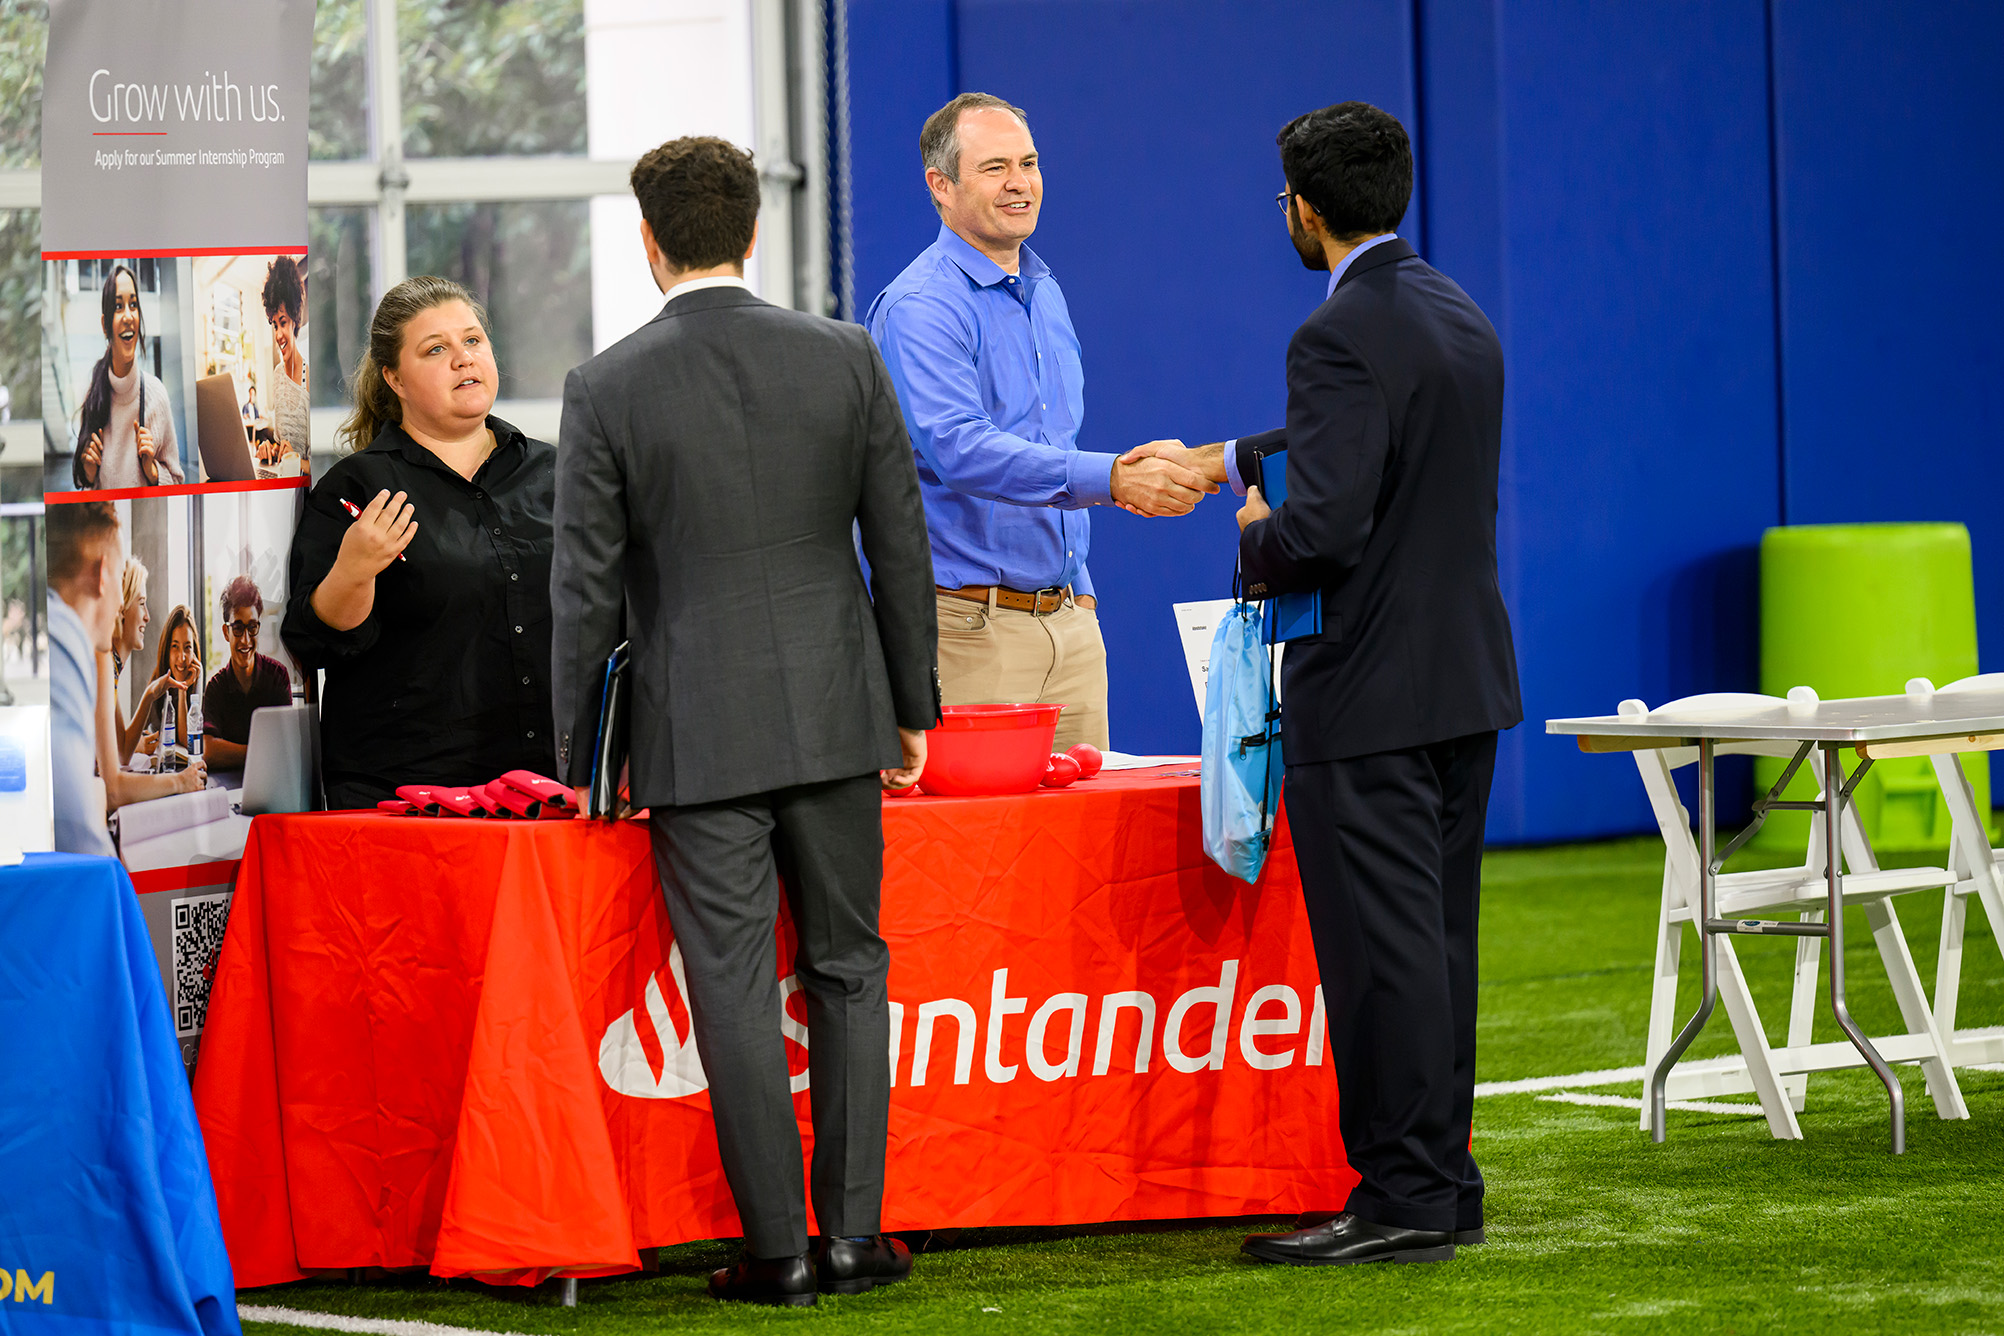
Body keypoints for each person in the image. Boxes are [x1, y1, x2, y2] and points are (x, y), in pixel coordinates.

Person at [551, 136, 938, 1308]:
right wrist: (913, 707)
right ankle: (859, 1237)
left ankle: (776, 1253)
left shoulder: (605, 386)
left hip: (694, 731)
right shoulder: (847, 355)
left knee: (726, 985)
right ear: (754, 230)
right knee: (850, 969)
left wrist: (581, 758)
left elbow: (584, 588)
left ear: (649, 241)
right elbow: (902, 547)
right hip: (837, 712)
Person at [1139, 103, 1521, 1266]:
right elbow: (1373, 434)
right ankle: (1441, 1179)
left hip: (1366, 691)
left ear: (1303, 208)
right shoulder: (1452, 311)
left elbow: (1326, 527)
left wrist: (1255, 528)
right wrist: (1231, 457)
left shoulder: (1334, 336)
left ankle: (1400, 1195)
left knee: (1380, 954)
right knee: (1438, 944)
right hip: (1460, 680)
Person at [865, 93, 1213, 751]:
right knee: (982, 853)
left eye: (1028, 162)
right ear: (941, 185)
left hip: (1069, 628)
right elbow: (961, 450)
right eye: (995, 167)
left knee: (1085, 849)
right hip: (970, 633)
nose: (1019, 183)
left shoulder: (1044, 291)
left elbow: (1053, 441)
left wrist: (1076, 594)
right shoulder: (920, 306)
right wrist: (1112, 478)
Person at [282, 275, 555, 810]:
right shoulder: (358, 487)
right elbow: (314, 641)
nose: (463, 359)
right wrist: (354, 571)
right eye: (436, 349)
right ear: (395, 379)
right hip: (407, 802)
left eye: (473, 341)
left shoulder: (553, 473)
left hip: (543, 792)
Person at [99, 555, 207, 805]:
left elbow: (123, 753)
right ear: (121, 608)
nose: (147, 616)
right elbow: (114, 789)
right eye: (142, 604)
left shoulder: (111, 667)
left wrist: (149, 694)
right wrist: (180, 782)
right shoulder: (102, 663)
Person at [48, 502, 121, 856]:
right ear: (103, 575)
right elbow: (79, 839)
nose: (121, 602)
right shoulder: (63, 645)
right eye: (121, 581)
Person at [74, 263, 184, 490]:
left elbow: (177, 482)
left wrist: (152, 471)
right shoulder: (93, 394)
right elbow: (85, 485)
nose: (127, 316)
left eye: (133, 305)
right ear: (105, 325)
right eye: (118, 306)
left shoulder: (157, 396)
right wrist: (88, 472)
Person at [201, 576, 293, 771]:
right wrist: (261, 754)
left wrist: (231, 752)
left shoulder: (277, 677)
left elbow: (284, 748)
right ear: (226, 632)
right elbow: (209, 751)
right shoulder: (215, 688)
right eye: (237, 628)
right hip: (227, 789)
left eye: (252, 627)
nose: (245, 639)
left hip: (270, 784)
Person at [261, 256, 310, 467]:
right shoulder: (277, 375)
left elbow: (325, 465)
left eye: (283, 322)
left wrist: (297, 461)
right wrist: (271, 448)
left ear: (295, 320)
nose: (279, 334)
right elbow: (282, 444)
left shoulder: (311, 375)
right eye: (274, 325)